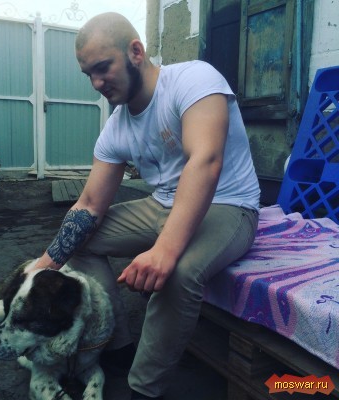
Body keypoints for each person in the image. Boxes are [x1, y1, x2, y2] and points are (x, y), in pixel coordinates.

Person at [28, 12, 260, 400]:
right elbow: (89, 204)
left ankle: (144, 390)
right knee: (81, 241)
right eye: (88, 74)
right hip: (160, 205)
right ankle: (118, 344)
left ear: (135, 51)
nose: (96, 83)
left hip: (229, 204)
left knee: (179, 272)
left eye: (103, 68)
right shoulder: (117, 127)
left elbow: (205, 161)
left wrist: (163, 251)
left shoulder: (194, 80)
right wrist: (42, 266)